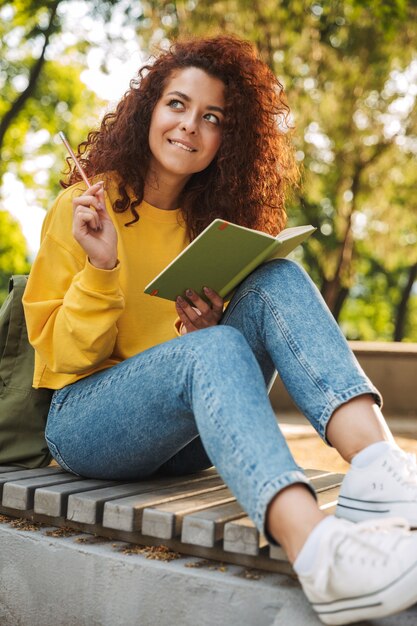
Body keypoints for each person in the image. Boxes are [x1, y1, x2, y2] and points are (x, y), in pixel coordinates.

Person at [23, 35, 417, 625]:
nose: (190, 126)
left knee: (276, 278)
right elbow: (56, 360)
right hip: (83, 425)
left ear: (225, 140)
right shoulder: (85, 207)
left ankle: (380, 470)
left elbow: (199, 366)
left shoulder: (209, 223)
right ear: (148, 111)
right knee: (210, 348)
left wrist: (200, 333)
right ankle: (318, 553)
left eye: (212, 118)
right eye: (177, 105)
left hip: (182, 443)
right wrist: (102, 267)